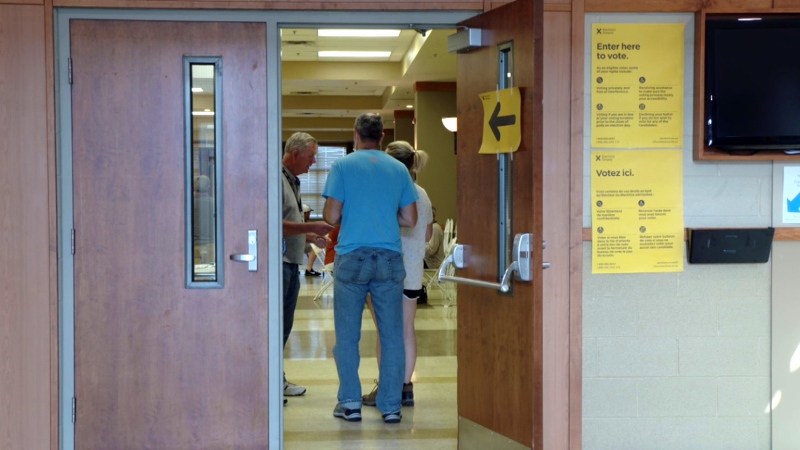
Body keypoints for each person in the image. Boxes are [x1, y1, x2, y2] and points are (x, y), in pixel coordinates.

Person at [322, 113, 418, 424]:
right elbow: (411, 219)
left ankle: (350, 403)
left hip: (352, 258)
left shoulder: (342, 166)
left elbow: (331, 216)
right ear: (382, 137)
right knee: (392, 334)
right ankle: (390, 406)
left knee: (347, 334)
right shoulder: (399, 168)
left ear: (356, 135)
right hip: (389, 259)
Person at [362, 141, 433, 409]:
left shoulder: (385, 193)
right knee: (406, 330)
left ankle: (385, 389)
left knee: (384, 332)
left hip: (385, 271)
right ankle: (405, 387)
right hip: (413, 273)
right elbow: (426, 235)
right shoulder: (422, 193)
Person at [282, 132, 334, 402]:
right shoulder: (277, 179)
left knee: (285, 325)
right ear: (295, 153)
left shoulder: (293, 182)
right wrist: (310, 226)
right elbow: (273, 224)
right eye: (311, 155)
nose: (314, 161)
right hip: (280, 265)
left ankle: (277, 379)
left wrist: (307, 237)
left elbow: (289, 226)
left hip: (291, 263)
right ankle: (271, 382)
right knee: (278, 326)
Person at [302, 204, 322, 276]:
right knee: (315, 247)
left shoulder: (301, 220)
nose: (310, 214)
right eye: (309, 213)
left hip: (297, 243)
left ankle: (310, 268)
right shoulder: (301, 221)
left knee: (313, 245)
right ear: (306, 213)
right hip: (297, 244)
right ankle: (309, 269)